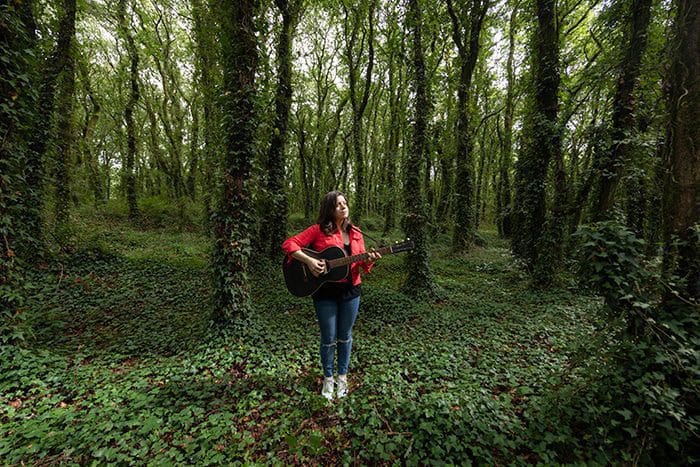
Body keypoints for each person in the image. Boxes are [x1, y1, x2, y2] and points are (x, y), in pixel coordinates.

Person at [282, 191, 381, 400]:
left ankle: (342, 377)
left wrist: (371, 259)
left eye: (345, 203)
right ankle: (328, 378)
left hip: (351, 291)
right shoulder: (317, 231)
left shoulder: (356, 232)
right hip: (324, 292)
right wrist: (309, 261)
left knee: (345, 337)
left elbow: (362, 263)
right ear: (329, 209)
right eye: (338, 204)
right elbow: (289, 244)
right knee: (328, 338)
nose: (343, 206)